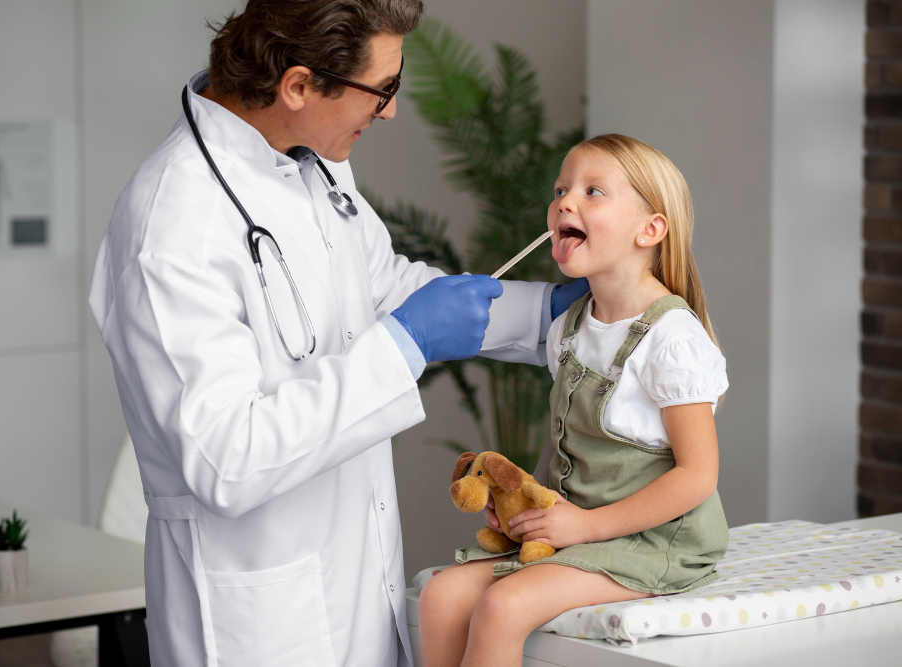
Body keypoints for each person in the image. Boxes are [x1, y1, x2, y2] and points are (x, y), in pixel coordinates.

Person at [87, 2, 587, 666]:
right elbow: (225, 458)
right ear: (297, 85)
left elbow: (376, 284)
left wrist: (551, 315)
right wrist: (406, 344)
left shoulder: (310, 160)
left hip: (356, 578)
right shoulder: (172, 228)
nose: (390, 112)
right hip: (259, 624)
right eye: (383, 90)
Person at [417, 134, 730, 667]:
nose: (566, 201)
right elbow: (562, 442)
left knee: (503, 607)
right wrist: (530, 508)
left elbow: (698, 476)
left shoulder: (672, 339)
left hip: (653, 541)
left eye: (593, 192)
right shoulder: (568, 327)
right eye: (562, 189)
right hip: (579, 526)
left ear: (649, 229)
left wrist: (583, 527)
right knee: (440, 595)